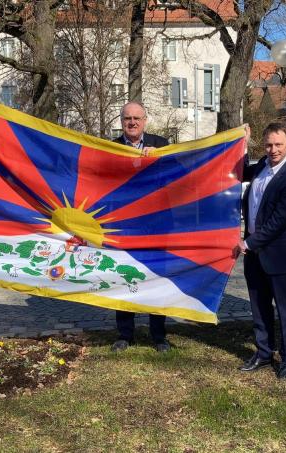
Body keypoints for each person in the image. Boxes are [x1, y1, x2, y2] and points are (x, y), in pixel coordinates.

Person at [235, 122, 286, 379]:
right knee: (259, 305)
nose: (273, 150)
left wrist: (249, 243)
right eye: (268, 145)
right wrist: (242, 143)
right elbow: (239, 171)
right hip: (254, 254)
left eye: (278, 145)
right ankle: (263, 352)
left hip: (279, 255)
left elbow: (279, 221)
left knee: (285, 310)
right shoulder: (262, 165)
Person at [110, 101, 171, 353]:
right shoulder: (110, 148)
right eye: (128, 118)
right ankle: (125, 334)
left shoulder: (162, 144)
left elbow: (179, 176)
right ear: (121, 121)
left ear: (145, 120)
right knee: (124, 277)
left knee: (156, 278)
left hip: (157, 226)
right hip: (124, 228)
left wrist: (160, 160)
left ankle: (159, 335)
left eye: (137, 118)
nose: (132, 122)